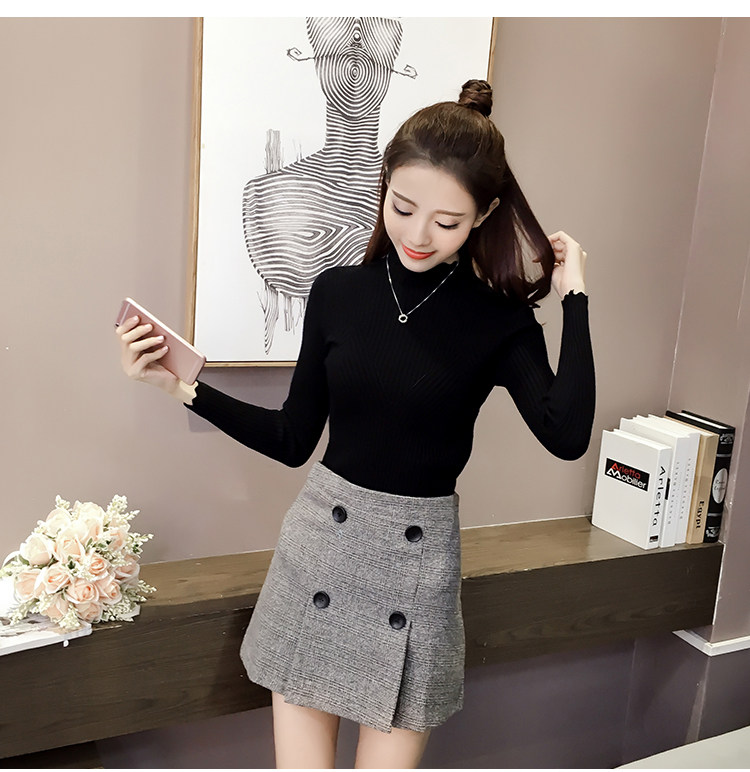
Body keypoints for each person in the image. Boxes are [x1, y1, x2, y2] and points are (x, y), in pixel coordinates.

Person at [116, 79, 595, 769]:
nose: (418, 235)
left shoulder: (500, 322)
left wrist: (574, 297)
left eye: (447, 222)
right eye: (402, 207)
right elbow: (293, 440)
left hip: (416, 571)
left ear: (484, 214)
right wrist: (180, 387)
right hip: (320, 549)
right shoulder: (338, 292)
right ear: (383, 186)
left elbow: (566, 434)